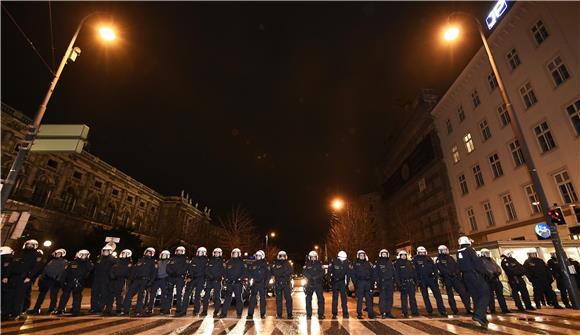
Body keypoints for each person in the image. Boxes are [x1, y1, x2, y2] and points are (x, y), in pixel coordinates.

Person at [456, 236, 489, 329]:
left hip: (466, 276)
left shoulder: (459, 251)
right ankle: (478, 315)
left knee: (475, 296)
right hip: (474, 274)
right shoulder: (469, 250)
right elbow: (476, 262)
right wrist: (485, 272)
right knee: (485, 294)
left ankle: (482, 317)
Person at [4, 239, 39, 320]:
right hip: (12, 278)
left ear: (35, 246)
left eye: (31, 245)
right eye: (28, 244)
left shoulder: (35, 255)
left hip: (23, 279)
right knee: (9, 296)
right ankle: (5, 312)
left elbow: (35, 268)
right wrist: (6, 276)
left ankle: (15, 313)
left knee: (18, 297)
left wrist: (29, 277)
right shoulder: (18, 253)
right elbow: (11, 265)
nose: (29, 246)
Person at [56, 249, 93, 316]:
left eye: (86, 255)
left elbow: (90, 268)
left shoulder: (88, 263)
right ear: (80, 255)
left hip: (79, 282)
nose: (84, 256)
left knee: (77, 297)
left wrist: (87, 260)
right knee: (65, 296)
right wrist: (62, 282)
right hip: (69, 282)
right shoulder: (72, 262)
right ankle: (60, 309)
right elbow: (65, 273)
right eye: (83, 254)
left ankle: (76, 310)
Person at [436, 245, 471, 315]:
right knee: (450, 295)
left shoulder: (450, 258)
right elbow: (441, 269)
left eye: (445, 249)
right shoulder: (438, 260)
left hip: (455, 278)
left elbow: (456, 266)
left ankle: (468, 308)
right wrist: (449, 273)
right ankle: (454, 309)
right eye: (444, 250)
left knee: (463, 293)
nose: (445, 251)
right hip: (447, 279)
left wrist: (456, 272)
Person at [31, 248, 67, 314]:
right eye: (57, 253)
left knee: (53, 296)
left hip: (55, 281)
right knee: (41, 295)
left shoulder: (64, 262)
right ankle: (36, 308)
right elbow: (45, 269)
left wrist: (58, 280)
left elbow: (62, 272)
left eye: (59, 253)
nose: (58, 254)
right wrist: (42, 278)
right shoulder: (51, 261)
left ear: (62, 254)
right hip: (46, 280)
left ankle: (52, 308)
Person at [413, 246, 447, 316]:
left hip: (431, 279)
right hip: (422, 280)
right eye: (420, 252)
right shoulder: (415, 259)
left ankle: (442, 310)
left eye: (423, 252)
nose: (422, 253)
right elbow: (414, 271)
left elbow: (434, 268)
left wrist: (436, 276)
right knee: (425, 296)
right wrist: (417, 281)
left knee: (438, 295)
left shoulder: (428, 258)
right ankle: (429, 310)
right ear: (418, 252)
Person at [123, 247, 157, 316]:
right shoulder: (140, 260)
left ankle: (138, 311)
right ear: (145, 252)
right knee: (129, 294)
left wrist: (150, 282)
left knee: (141, 297)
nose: (148, 253)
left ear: (152, 254)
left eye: (150, 253)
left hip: (145, 280)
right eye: (147, 252)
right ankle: (126, 310)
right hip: (136, 280)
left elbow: (154, 273)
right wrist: (131, 279)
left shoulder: (153, 262)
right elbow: (134, 270)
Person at [479, 248, 510, 314]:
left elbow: (498, 267)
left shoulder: (491, 259)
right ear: (483, 253)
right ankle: (492, 309)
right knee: (490, 296)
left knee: (500, 295)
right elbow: (484, 270)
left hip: (496, 279)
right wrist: (491, 274)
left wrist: (498, 272)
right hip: (488, 280)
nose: (488, 254)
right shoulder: (480, 260)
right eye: (486, 252)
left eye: (488, 252)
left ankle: (504, 309)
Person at [104, 249, 132, 316]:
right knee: (110, 295)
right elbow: (111, 269)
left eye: (125, 253)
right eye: (123, 253)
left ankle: (118, 309)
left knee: (119, 296)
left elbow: (127, 273)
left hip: (120, 280)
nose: (123, 254)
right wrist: (112, 275)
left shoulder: (129, 263)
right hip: (113, 280)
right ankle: (108, 309)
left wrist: (118, 275)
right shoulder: (117, 261)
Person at [182, 247, 208, 316]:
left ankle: (196, 310)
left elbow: (206, 271)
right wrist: (190, 276)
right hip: (192, 279)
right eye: (198, 252)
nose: (199, 253)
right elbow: (190, 268)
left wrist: (203, 278)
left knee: (197, 295)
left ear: (204, 253)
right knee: (187, 294)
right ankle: (183, 310)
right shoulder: (194, 259)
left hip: (200, 279)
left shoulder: (206, 261)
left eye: (201, 252)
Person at [220, 248, 245, 318]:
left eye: (236, 253)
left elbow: (244, 272)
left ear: (239, 254)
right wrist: (226, 279)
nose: (235, 254)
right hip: (230, 283)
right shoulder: (228, 262)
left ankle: (239, 313)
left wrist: (240, 279)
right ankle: (223, 313)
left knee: (238, 299)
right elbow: (224, 272)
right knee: (227, 298)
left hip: (238, 283)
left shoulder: (242, 262)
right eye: (233, 253)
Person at [90, 245, 115, 314]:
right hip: (97, 278)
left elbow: (113, 269)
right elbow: (95, 268)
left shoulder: (112, 259)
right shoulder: (99, 258)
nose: (105, 252)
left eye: (107, 251)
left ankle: (100, 307)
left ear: (110, 252)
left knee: (103, 294)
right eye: (104, 251)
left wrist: (110, 277)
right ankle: (93, 308)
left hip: (105, 279)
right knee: (94, 293)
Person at [350, 250, 375, 319]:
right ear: (358, 256)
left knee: (369, 299)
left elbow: (373, 273)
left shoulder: (368, 263)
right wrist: (356, 283)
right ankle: (359, 314)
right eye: (360, 255)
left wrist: (372, 283)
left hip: (368, 283)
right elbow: (353, 274)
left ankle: (370, 313)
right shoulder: (355, 264)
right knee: (360, 299)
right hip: (360, 283)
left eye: (363, 255)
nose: (362, 256)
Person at [394, 250, 419, 318]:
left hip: (411, 282)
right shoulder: (397, 263)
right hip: (403, 283)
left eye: (405, 255)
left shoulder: (409, 262)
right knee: (404, 298)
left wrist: (416, 282)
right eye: (402, 255)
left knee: (412, 298)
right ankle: (404, 312)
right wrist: (399, 284)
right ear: (400, 256)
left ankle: (414, 311)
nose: (404, 256)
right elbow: (397, 274)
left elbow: (414, 273)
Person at [165, 246, 189, 316]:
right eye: (178, 251)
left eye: (181, 251)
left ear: (183, 252)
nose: (179, 252)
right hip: (172, 277)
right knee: (169, 294)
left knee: (179, 294)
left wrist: (179, 273)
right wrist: (171, 273)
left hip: (180, 278)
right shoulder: (172, 258)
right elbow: (168, 267)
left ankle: (178, 310)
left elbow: (186, 268)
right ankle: (167, 309)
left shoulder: (185, 259)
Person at [246, 250, 270, 319]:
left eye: (259, 255)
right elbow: (249, 273)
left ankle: (263, 314)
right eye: (256, 255)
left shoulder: (265, 264)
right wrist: (250, 282)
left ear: (262, 256)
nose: (257, 257)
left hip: (262, 283)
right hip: (255, 284)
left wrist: (266, 283)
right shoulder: (253, 264)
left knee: (262, 299)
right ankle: (250, 314)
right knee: (252, 299)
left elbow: (268, 275)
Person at [147, 250, 170, 315]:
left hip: (164, 280)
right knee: (152, 295)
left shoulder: (168, 262)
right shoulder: (157, 262)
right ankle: (150, 308)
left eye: (165, 255)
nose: (163, 256)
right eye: (162, 254)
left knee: (163, 295)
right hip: (156, 279)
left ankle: (162, 309)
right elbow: (154, 271)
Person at [271, 250, 293, 319]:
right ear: (278, 256)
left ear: (286, 256)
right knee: (278, 300)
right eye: (281, 256)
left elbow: (290, 271)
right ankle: (279, 314)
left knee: (288, 299)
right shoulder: (275, 263)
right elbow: (274, 272)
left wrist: (280, 273)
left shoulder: (288, 263)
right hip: (278, 284)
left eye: (283, 256)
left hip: (286, 284)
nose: (282, 257)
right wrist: (283, 273)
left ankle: (289, 314)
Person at [303, 250, 325, 319]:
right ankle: (309, 314)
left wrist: (316, 277)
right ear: (309, 257)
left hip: (318, 284)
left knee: (320, 299)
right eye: (311, 257)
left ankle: (321, 314)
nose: (313, 258)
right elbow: (304, 272)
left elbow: (322, 272)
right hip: (309, 284)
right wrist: (310, 277)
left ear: (316, 257)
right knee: (308, 299)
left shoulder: (320, 264)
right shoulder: (307, 264)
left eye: (314, 257)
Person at [23, 249, 46, 313]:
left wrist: (30, 277)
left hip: (31, 278)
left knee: (26, 293)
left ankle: (25, 307)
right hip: (28, 277)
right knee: (24, 293)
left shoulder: (40, 261)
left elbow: (37, 270)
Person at [329, 250, 350, 319]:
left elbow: (348, 273)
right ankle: (334, 313)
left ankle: (345, 313)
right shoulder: (333, 261)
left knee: (344, 298)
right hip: (335, 282)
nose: (343, 260)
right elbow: (330, 271)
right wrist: (330, 280)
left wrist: (347, 283)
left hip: (342, 282)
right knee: (335, 298)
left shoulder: (346, 262)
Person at [204, 248, 225, 317]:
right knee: (206, 296)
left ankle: (216, 310)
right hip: (209, 280)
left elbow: (223, 271)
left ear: (220, 253)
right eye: (215, 252)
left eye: (218, 253)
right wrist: (210, 276)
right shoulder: (210, 260)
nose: (216, 254)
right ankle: (204, 311)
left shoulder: (222, 261)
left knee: (217, 296)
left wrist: (218, 277)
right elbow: (206, 269)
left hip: (217, 280)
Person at [375, 249, 394, 319]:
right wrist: (378, 281)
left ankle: (388, 312)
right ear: (381, 254)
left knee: (390, 298)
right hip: (382, 282)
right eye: (383, 254)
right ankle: (383, 312)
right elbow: (376, 273)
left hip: (390, 282)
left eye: (385, 254)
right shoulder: (378, 262)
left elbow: (393, 271)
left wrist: (393, 281)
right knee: (382, 298)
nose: (384, 255)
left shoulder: (390, 262)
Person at [1, 246, 15, 321]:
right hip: (7, 282)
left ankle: (5, 314)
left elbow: (8, 270)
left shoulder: (8, 260)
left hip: (8, 283)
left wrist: (5, 276)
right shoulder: (10, 259)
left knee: (6, 298)